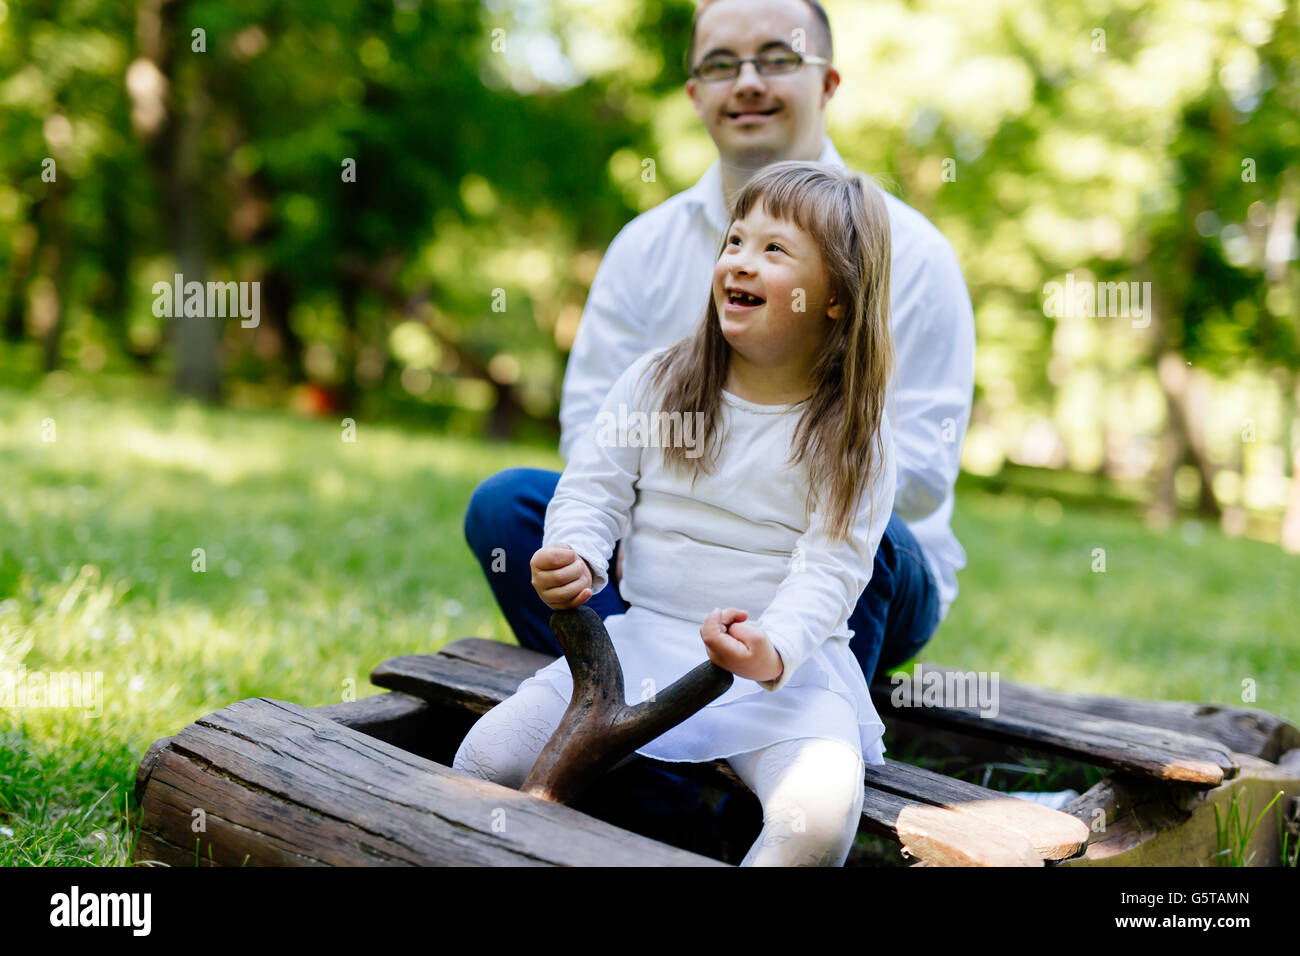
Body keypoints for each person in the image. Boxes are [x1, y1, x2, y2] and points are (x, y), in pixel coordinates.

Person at [462, 0, 974, 847]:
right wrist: (597, 539)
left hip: (854, 578)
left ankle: (749, 779)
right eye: (721, 64)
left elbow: (913, 475)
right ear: (696, 92)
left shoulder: (911, 255)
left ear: (827, 80)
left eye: (776, 58)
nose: (747, 82)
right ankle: (648, 777)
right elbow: (595, 445)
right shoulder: (647, 255)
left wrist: (770, 618)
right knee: (509, 506)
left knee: (869, 549)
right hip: (659, 591)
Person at [455, 161, 896, 866]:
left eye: (775, 250)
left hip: (781, 682)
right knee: (485, 757)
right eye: (735, 242)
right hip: (639, 652)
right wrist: (576, 550)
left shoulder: (851, 433)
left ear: (837, 295)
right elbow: (594, 488)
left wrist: (772, 644)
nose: (740, 262)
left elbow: (833, 568)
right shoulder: (658, 381)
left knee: (816, 820)